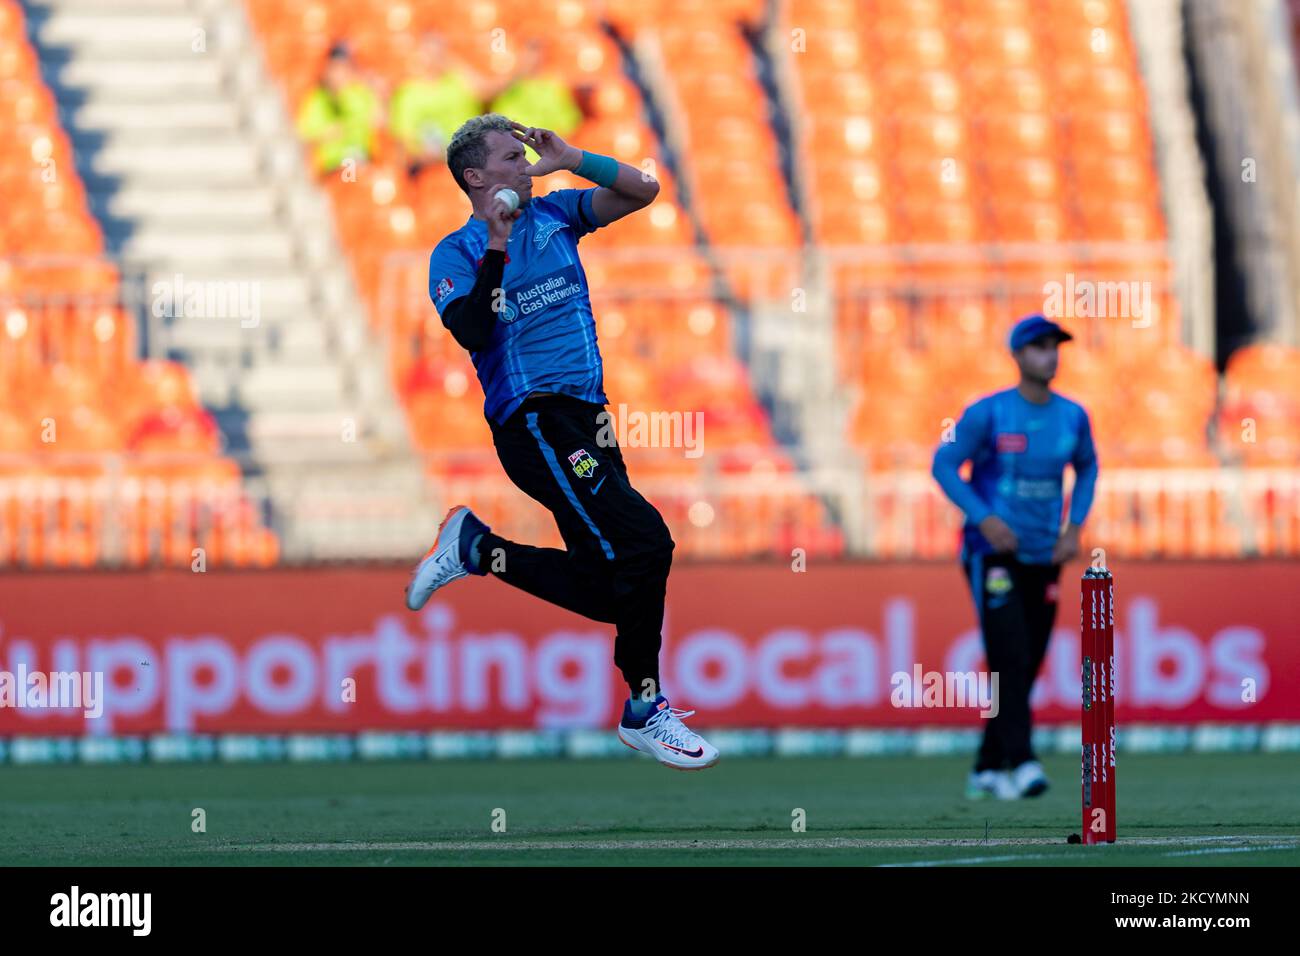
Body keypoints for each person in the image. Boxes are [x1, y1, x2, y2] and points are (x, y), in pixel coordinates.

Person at [407, 114, 718, 771]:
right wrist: (495, 245)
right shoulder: (455, 252)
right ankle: (644, 706)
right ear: (475, 176)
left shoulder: (556, 216)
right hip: (535, 421)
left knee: (616, 587)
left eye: (525, 155)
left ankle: (479, 549)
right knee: (648, 541)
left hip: (590, 419)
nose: (524, 165)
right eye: (510, 158)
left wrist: (573, 156)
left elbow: (645, 189)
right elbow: (471, 332)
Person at [931, 314, 1099, 799]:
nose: (1051, 355)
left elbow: (1088, 468)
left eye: (1055, 346)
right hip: (993, 553)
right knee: (1009, 656)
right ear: (1018, 355)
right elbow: (943, 464)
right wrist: (982, 517)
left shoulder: (1072, 416)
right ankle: (1023, 760)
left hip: (1044, 552)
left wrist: (1073, 528)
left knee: (1028, 661)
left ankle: (986, 766)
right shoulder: (989, 413)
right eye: (1040, 347)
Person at [295, 42, 382, 174]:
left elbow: (378, 118)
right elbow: (305, 135)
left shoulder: (358, 92)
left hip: (363, 158)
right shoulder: (316, 99)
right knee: (350, 175)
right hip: (335, 165)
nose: (340, 74)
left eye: (344, 68)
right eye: (335, 68)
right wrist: (326, 134)